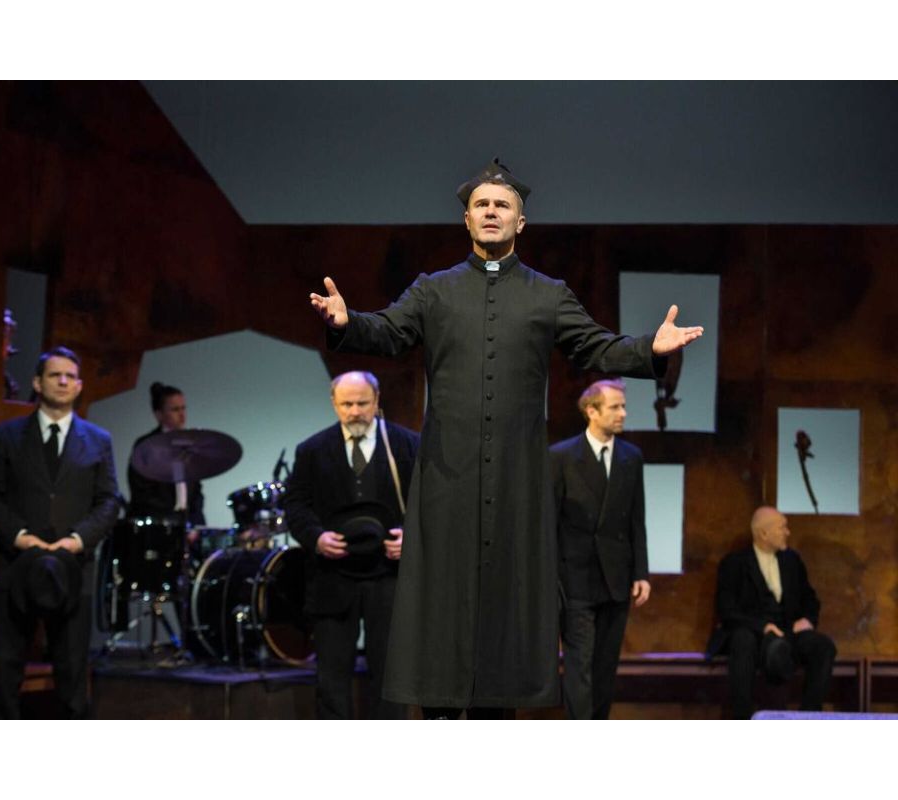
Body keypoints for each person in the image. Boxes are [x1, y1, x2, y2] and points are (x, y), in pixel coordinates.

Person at [309, 158, 703, 716]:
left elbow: (597, 346)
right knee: (443, 595)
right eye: (481, 205)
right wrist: (347, 322)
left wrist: (649, 349)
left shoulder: (549, 294)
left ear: (521, 222)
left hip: (517, 479)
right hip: (447, 477)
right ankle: (441, 711)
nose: (491, 212)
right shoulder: (433, 290)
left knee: (508, 598)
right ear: (466, 221)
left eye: (502, 205)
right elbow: (389, 331)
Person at [0, 346, 118, 718]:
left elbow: (108, 501)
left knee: (72, 674)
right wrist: (20, 536)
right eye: (55, 375)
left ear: (79, 386)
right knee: (6, 672)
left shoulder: (99, 440)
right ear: (38, 383)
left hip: (73, 568)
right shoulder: (8, 435)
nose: (63, 382)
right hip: (15, 565)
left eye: (70, 376)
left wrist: (77, 539)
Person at [283, 371, 419, 719]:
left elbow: (432, 503)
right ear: (334, 404)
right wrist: (316, 537)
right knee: (331, 676)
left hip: (388, 576)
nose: (355, 411)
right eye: (346, 404)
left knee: (391, 674)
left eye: (362, 403)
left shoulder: (407, 445)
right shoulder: (312, 450)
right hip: (333, 576)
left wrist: (413, 537)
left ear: (376, 400)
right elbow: (295, 505)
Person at [550, 379, 650, 719]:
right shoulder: (561, 457)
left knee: (606, 667)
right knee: (579, 666)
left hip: (616, 578)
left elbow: (636, 519)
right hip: (576, 579)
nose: (623, 413)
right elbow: (549, 522)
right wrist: (551, 579)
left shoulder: (631, 457)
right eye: (615, 407)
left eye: (624, 406)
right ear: (591, 412)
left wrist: (641, 573)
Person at [707, 506, 837, 719]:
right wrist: (763, 627)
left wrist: (808, 620)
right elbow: (727, 610)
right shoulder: (734, 563)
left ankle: (809, 717)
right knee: (743, 641)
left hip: (788, 631)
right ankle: (743, 719)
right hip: (753, 634)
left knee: (823, 646)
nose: (788, 532)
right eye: (782, 527)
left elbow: (810, 599)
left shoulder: (792, 561)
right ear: (764, 533)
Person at [127, 382, 205, 526]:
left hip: (186, 524)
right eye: (175, 409)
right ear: (159, 415)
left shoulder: (189, 443)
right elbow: (142, 494)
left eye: (183, 408)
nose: (182, 415)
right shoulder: (146, 445)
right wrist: (171, 520)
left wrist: (196, 523)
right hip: (156, 525)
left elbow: (196, 490)